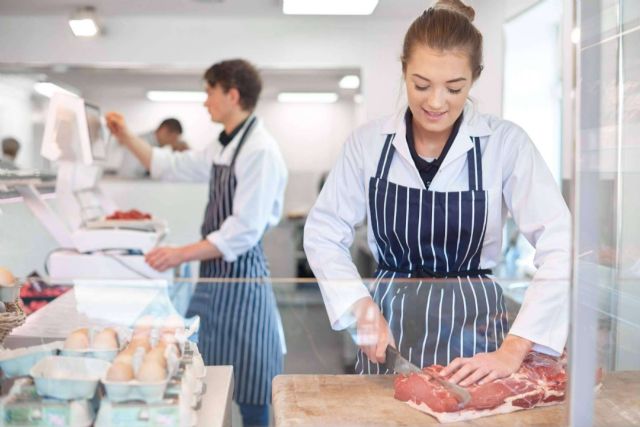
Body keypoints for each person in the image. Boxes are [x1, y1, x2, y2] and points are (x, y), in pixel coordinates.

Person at [304, 0, 570, 387]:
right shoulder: (368, 144)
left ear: (474, 78)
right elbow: (323, 232)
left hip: (477, 338)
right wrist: (358, 306)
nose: (435, 102)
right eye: (421, 84)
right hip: (389, 333)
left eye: (454, 87)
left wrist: (514, 348)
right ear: (403, 71)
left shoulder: (506, 145)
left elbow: (561, 243)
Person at [105, 59, 287, 426]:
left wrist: (178, 254)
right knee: (208, 379)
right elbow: (169, 165)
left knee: (253, 388)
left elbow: (243, 231)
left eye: (209, 92)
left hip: (244, 278)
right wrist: (126, 137)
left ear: (231, 95)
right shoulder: (225, 146)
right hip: (214, 277)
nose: (205, 102)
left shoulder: (259, 150)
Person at [116, 118, 184, 178]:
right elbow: (130, 173)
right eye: (173, 138)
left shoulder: (154, 145)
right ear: (164, 130)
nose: (172, 143)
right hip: (129, 185)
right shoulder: (142, 143)